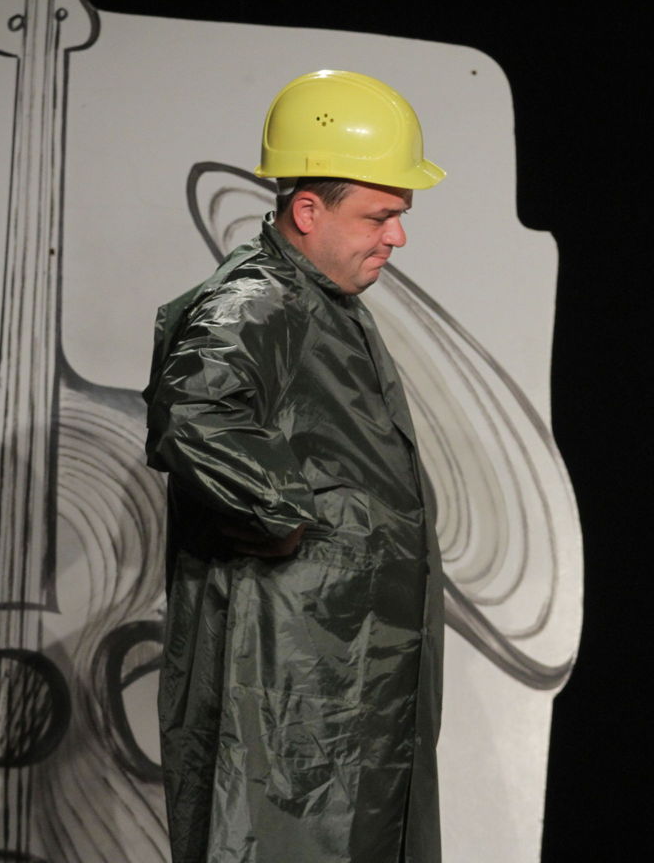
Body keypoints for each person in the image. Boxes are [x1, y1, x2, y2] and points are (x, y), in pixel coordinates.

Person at [143, 70, 447, 863]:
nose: (397, 237)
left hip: (334, 675)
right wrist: (279, 511)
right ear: (307, 211)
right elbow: (195, 408)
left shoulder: (319, 299)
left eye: (399, 215)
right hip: (288, 681)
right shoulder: (261, 299)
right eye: (379, 216)